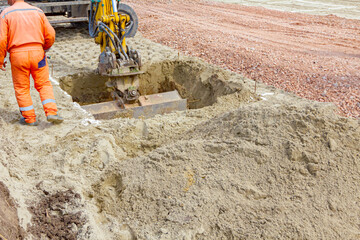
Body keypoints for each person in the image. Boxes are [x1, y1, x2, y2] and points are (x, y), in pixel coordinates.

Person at [0, 0, 63, 126]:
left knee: (22, 88)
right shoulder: (37, 11)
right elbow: (50, 34)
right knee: (44, 84)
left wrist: (1, 60)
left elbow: (1, 40)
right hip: (38, 53)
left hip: (18, 55)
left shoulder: (5, 14)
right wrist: (44, 48)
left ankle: (30, 119)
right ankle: (51, 112)